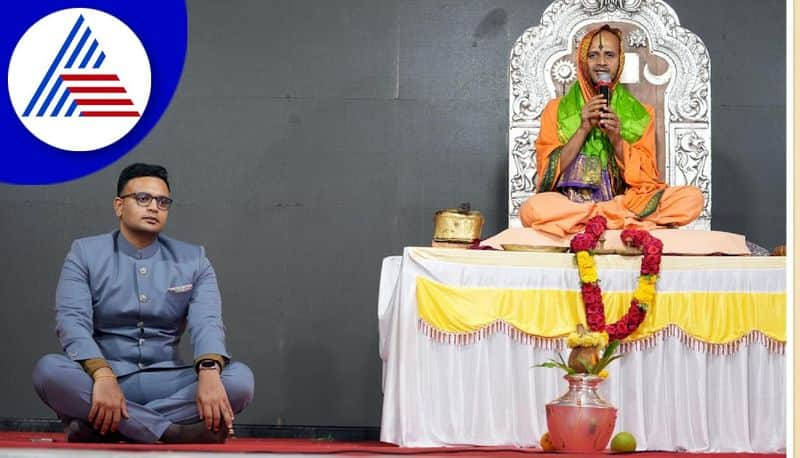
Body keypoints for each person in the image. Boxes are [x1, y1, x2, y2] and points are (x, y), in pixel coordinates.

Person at [32, 163, 254, 443]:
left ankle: (109, 425)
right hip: (103, 379)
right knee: (49, 372)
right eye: (143, 199)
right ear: (118, 206)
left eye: (163, 202)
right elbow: (71, 322)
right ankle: (170, 432)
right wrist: (102, 376)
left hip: (169, 381)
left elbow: (207, 323)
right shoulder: (85, 253)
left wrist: (209, 373)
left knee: (240, 381)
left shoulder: (193, 259)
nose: (154, 207)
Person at [519, 24, 704, 238]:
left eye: (609, 55)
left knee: (691, 198)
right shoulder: (556, 109)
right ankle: (618, 221)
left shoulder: (641, 114)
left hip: (623, 201)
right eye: (593, 55)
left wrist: (617, 140)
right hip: (571, 203)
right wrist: (583, 128)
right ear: (582, 61)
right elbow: (546, 175)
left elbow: (647, 179)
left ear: (620, 60)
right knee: (533, 208)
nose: (601, 63)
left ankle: (595, 220)